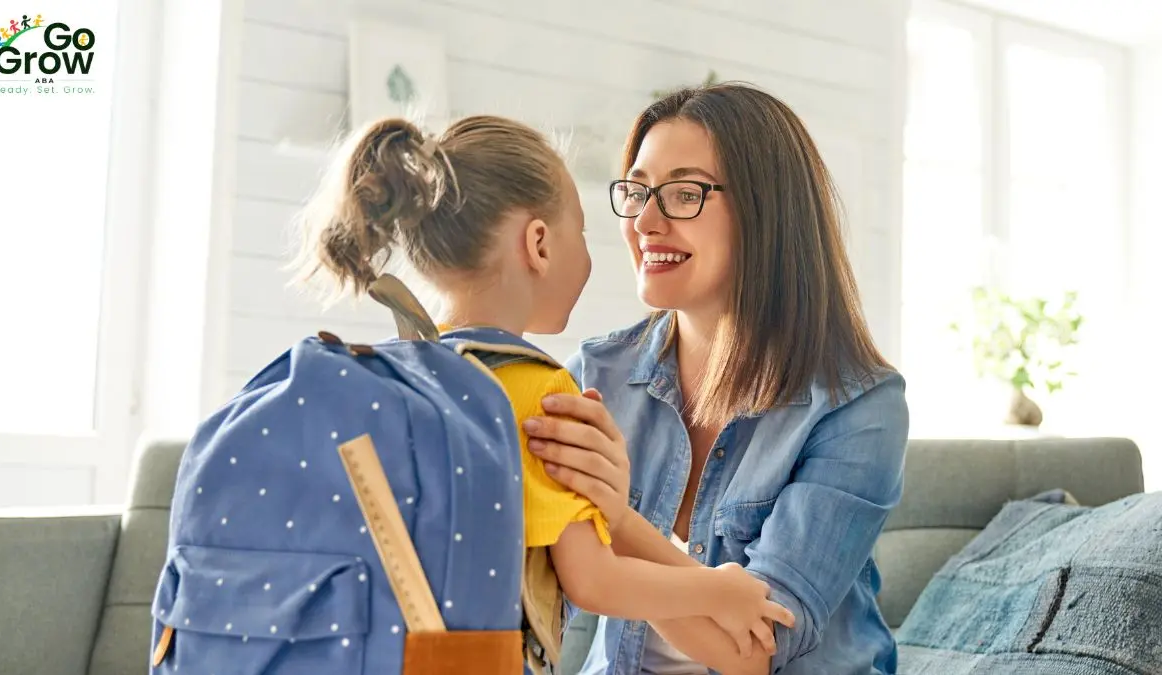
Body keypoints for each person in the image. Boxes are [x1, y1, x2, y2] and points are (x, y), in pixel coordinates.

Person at [293, 113, 796, 672]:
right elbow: (595, 581)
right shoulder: (538, 388)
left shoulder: (400, 373)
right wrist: (718, 590)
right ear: (538, 244)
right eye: (579, 232)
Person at [522, 83, 910, 674]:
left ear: (765, 213)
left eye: (684, 194)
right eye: (637, 191)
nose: (645, 222)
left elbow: (756, 652)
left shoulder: (858, 406)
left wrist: (618, 520)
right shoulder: (594, 376)